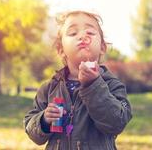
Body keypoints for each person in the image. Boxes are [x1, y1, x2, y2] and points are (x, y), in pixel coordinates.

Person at [24, 10, 132, 150]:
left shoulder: (112, 85)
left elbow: (116, 123)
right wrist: (43, 120)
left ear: (102, 47)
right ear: (61, 50)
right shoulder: (49, 89)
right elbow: (32, 132)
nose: (82, 36)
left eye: (90, 33)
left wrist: (93, 85)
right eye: (73, 33)